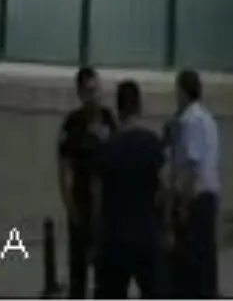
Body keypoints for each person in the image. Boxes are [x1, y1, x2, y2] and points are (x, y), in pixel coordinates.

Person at [93, 80, 166, 301]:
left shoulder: (107, 147)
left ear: (118, 108)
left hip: (114, 237)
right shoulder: (153, 143)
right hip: (146, 234)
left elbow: (96, 196)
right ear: (139, 106)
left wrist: (95, 237)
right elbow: (163, 189)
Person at [57, 66, 117, 301]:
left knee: (107, 273)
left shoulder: (108, 118)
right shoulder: (72, 124)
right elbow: (63, 170)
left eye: (97, 89)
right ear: (80, 93)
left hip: (106, 208)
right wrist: (70, 208)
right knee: (78, 273)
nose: (95, 96)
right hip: (81, 205)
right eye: (90, 91)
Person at [170, 69, 221, 300]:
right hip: (211, 193)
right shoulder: (208, 118)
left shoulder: (189, 120)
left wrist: (183, 204)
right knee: (207, 255)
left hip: (196, 196)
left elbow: (192, 163)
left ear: (182, 91)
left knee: (190, 258)